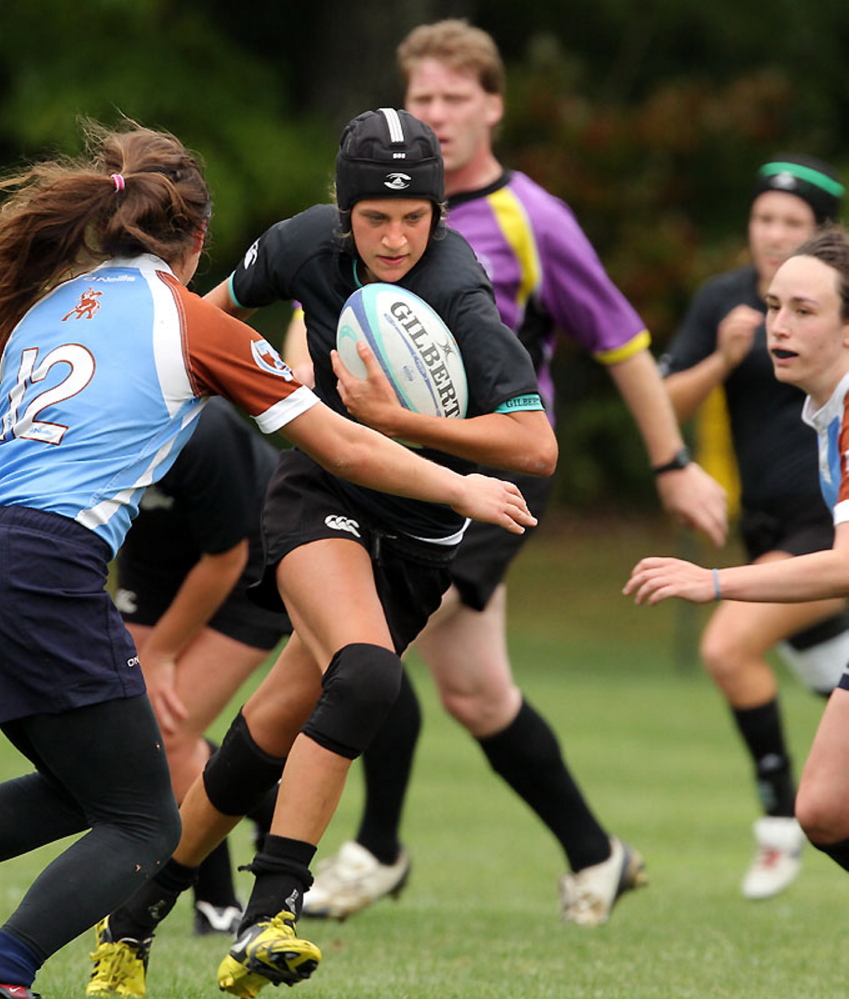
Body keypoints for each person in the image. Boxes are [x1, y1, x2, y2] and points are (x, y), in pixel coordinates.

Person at [0, 119, 535, 999]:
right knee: (139, 821)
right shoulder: (191, 325)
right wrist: (463, 489)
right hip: (49, 569)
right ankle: (12, 966)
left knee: (78, 789)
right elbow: (344, 447)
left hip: (17, 554)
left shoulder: (48, 306)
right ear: (198, 238)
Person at [297, 17, 728, 928]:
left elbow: (621, 343)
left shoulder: (533, 218)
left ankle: (375, 846)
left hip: (495, 474)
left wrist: (672, 463)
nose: (440, 114)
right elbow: (321, 302)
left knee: (365, 637)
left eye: (457, 98)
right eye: (424, 98)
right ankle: (594, 852)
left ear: (492, 105)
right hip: (385, 465)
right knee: (474, 690)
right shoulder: (377, 209)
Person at [624, 223, 849, 894]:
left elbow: (843, 566)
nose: (777, 326)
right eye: (775, 306)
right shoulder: (825, 411)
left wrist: (713, 581)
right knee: (824, 808)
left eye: (803, 311)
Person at [114, 397, 289, 936]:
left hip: (251, 566)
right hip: (157, 557)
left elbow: (227, 556)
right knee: (131, 721)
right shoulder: (87, 413)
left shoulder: (203, 431)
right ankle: (264, 803)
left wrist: (162, 653)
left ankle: (217, 903)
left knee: (166, 731)